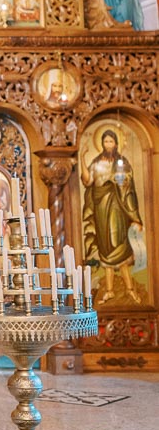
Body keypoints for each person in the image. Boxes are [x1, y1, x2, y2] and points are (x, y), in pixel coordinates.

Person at [81, 128, 144, 305]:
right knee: (106, 248)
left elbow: (128, 188)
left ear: (116, 143)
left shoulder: (121, 162)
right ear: (102, 144)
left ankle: (130, 289)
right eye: (105, 142)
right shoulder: (96, 162)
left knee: (120, 246)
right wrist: (82, 157)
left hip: (117, 209)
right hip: (101, 209)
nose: (108, 145)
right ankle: (109, 291)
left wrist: (135, 217)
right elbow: (87, 181)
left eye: (111, 141)